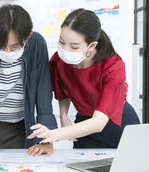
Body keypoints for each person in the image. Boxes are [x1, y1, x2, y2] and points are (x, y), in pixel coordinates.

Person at [29, 8, 140, 148]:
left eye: (74, 47)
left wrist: (55, 133)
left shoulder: (113, 67)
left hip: (117, 125)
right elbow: (62, 91)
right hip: (84, 124)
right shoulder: (59, 60)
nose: (66, 50)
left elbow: (99, 122)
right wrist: (64, 116)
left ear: (92, 46)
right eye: (62, 42)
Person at [0, 4, 57, 159]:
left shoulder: (36, 43)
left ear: (27, 36)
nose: (7, 52)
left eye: (15, 47)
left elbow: (44, 92)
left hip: (25, 125)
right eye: (1, 46)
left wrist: (47, 140)